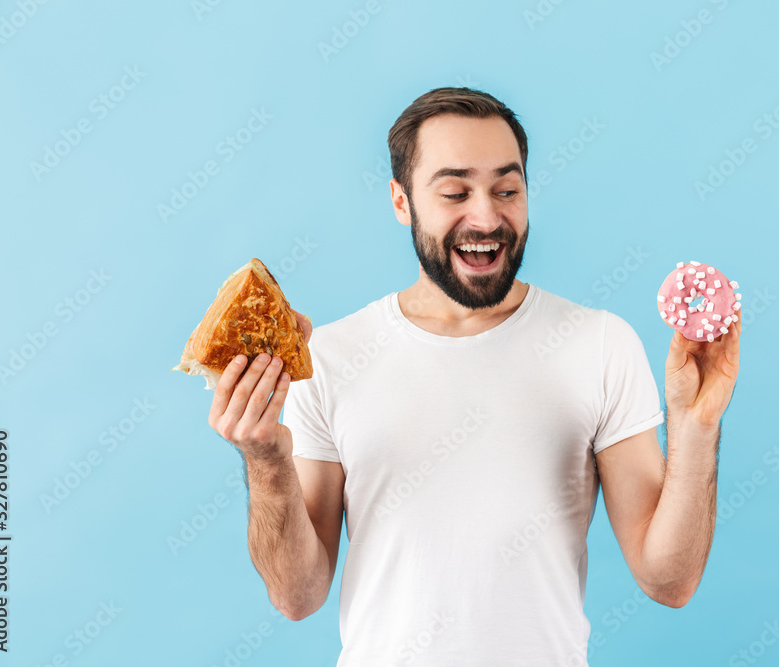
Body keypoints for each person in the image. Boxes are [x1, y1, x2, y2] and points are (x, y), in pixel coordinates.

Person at [207, 87, 741, 666]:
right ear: (401, 201)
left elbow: (670, 581)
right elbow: (297, 595)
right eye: (455, 191)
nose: (487, 216)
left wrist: (696, 427)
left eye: (507, 190)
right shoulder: (332, 356)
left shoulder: (601, 344)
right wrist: (265, 462)